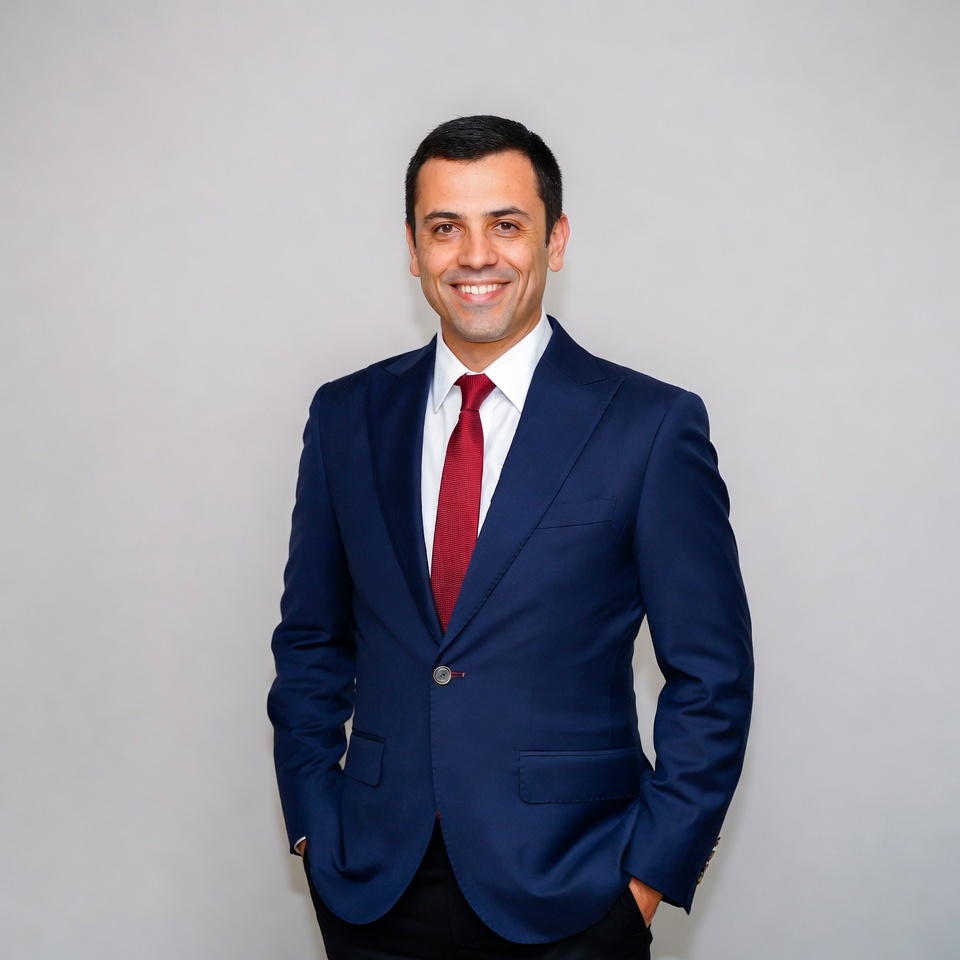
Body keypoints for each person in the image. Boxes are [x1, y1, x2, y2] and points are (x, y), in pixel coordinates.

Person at [268, 115, 753, 959]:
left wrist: (645, 879)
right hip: (373, 887)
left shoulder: (647, 426)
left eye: (507, 224)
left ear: (554, 240)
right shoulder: (345, 417)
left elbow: (712, 675)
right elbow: (312, 641)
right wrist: (315, 826)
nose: (476, 255)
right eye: (445, 227)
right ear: (413, 248)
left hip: (576, 889)